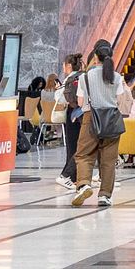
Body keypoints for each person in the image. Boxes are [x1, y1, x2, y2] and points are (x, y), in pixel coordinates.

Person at [71, 42, 128, 207]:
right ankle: (104, 195)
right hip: (111, 120)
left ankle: (84, 184)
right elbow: (119, 100)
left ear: (95, 57)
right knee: (108, 160)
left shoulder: (85, 77)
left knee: (84, 154)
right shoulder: (116, 77)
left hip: (90, 117)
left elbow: (81, 102)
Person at [54, 53, 84, 189]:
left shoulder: (69, 80)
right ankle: (77, 177)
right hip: (83, 113)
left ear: (69, 65)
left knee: (72, 146)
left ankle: (68, 176)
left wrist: (57, 91)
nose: (63, 68)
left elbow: (60, 98)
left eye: (64, 65)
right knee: (81, 143)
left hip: (72, 113)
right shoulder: (84, 76)